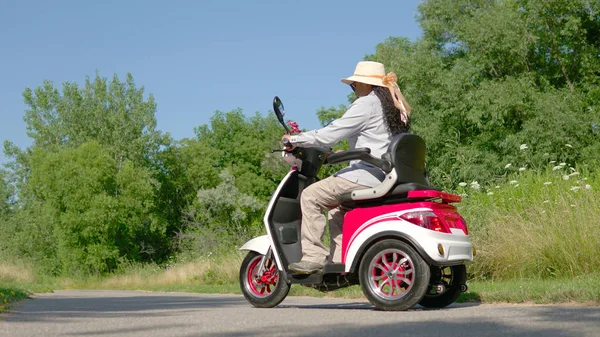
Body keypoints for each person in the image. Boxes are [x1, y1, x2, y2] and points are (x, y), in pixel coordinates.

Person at [281, 61, 412, 274]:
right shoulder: (392, 107)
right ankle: (339, 262)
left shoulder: (366, 103)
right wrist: (340, 156)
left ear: (367, 84)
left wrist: (295, 139)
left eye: (354, 85)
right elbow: (375, 144)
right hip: (386, 174)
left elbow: (330, 134)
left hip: (365, 175)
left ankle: (313, 257)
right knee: (336, 210)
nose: (353, 89)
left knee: (310, 196)